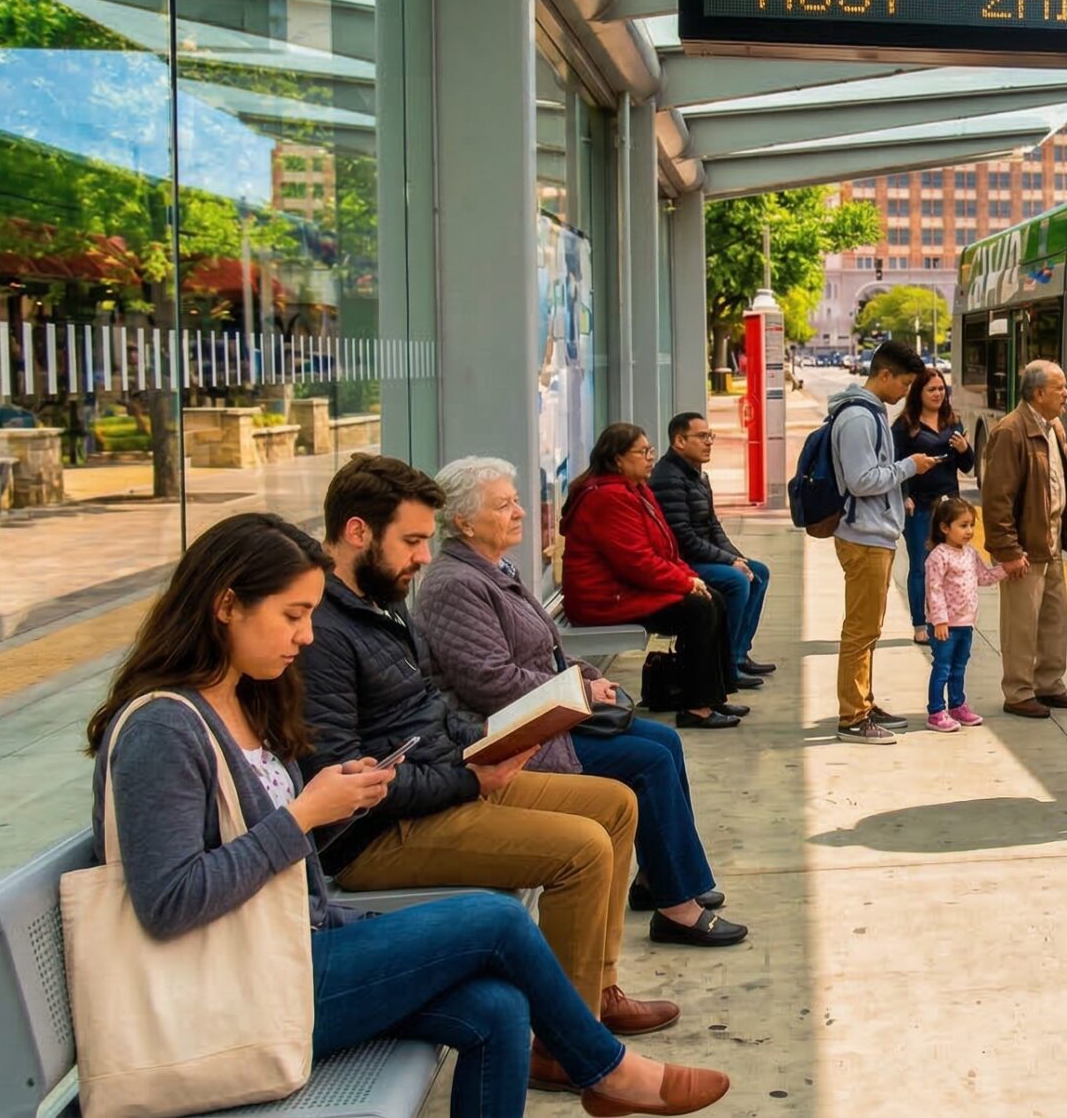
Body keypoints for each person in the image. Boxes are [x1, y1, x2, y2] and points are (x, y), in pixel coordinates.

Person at [84, 513, 728, 1118]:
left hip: (292, 955)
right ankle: (607, 1072)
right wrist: (304, 816)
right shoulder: (163, 729)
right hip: (235, 993)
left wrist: (341, 817)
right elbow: (168, 901)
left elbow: (285, 876)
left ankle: (593, 1063)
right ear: (226, 605)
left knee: (499, 1007)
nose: (306, 635)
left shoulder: (247, 702)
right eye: (292, 615)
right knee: (498, 919)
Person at [298, 454, 683, 1056]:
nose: (425, 556)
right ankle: (566, 1044)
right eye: (412, 541)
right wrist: (470, 778)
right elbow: (347, 784)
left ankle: (597, 990)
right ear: (357, 532)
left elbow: (426, 706)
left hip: (443, 784)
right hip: (380, 834)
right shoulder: (322, 630)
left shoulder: (380, 600)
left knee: (615, 805)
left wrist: (486, 739)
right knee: (582, 849)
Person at [416, 456, 748, 950]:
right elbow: (491, 682)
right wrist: (577, 690)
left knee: (664, 741)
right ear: (463, 522)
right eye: (504, 505)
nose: (520, 512)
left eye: (516, 501)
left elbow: (545, 648)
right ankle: (677, 909)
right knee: (647, 760)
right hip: (510, 736)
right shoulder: (455, 585)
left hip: (544, 716)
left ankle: (660, 877)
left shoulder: (492, 570)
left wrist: (590, 677)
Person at [562, 424, 739, 728]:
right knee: (699, 609)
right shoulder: (607, 497)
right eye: (642, 452)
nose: (650, 458)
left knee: (713, 598)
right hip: (603, 600)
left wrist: (689, 578)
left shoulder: (637, 490)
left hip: (625, 590)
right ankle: (696, 707)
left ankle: (713, 697)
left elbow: (665, 551)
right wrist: (685, 582)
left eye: (650, 450)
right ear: (618, 460)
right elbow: (637, 562)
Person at [828, 341, 943, 744]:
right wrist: (909, 466)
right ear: (884, 375)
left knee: (868, 629)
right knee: (860, 630)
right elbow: (861, 480)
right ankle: (852, 716)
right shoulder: (859, 418)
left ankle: (863, 701)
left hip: (873, 533)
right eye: (905, 383)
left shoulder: (869, 412)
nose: (906, 392)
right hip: (864, 536)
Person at [979, 359, 1067, 719]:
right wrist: (1008, 551)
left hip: (1051, 544)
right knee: (1021, 625)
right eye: (1060, 388)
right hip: (1024, 550)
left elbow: (1058, 484)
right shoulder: (1010, 431)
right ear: (1039, 393)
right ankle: (1018, 691)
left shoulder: (1054, 428)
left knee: (1053, 620)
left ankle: (1049, 684)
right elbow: (996, 500)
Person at [651, 412, 775, 687]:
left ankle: (738, 654)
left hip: (701, 556)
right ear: (679, 441)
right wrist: (730, 563)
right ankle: (725, 665)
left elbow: (712, 525)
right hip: (683, 562)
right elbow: (683, 537)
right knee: (737, 580)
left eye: (710, 436)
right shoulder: (669, 478)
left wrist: (736, 556)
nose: (709, 442)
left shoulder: (697, 474)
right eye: (701, 436)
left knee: (758, 572)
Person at [895, 369, 976, 645]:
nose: (938, 394)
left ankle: (945, 619)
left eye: (942, 388)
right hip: (918, 506)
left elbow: (967, 466)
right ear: (918, 393)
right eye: (932, 389)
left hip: (949, 507)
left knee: (948, 566)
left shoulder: (952, 422)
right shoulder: (905, 426)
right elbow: (894, 464)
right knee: (921, 565)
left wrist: (964, 449)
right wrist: (904, 495)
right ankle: (920, 624)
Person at [919, 496, 1002, 732]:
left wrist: (1005, 570)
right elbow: (933, 590)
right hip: (945, 626)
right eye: (963, 525)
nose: (969, 531)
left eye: (971, 525)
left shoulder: (970, 553)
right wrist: (939, 621)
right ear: (945, 528)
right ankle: (936, 711)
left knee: (959, 666)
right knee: (942, 667)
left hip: (966, 624)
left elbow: (983, 577)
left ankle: (957, 705)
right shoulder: (938, 556)